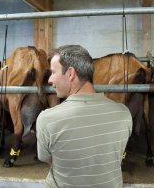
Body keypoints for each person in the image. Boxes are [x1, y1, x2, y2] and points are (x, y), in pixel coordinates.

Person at [36, 45, 133, 188]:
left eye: (53, 72)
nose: (50, 79)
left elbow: (48, 159)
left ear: (70, 74)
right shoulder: (123, 113)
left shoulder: (47, 119)